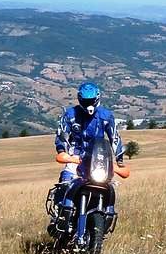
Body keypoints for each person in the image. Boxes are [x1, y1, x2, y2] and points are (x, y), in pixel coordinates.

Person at [51, 82, 125, 216]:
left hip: (97, 159)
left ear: (97, 99)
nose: (88, 105)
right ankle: (60, 211)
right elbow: (62, 135)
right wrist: (63, 152)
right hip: (76, 158)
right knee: (66, 181)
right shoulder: (70, 115)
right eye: (85, 101)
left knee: (109, 186)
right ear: (80, 99)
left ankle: (107, 212)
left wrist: (119, 160)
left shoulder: (106, 116)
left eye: (91, 101)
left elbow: (115, 137)